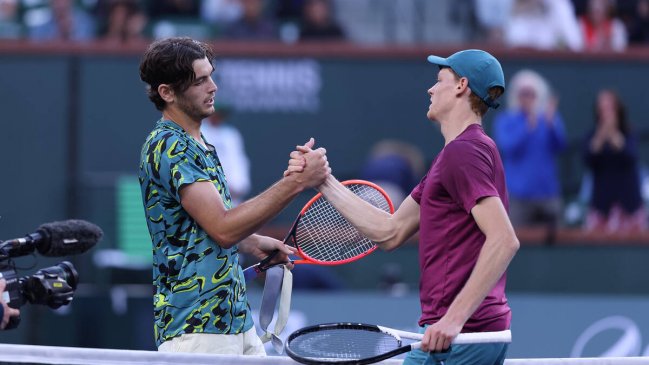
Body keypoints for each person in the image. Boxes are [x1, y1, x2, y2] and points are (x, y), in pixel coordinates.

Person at [287, 49, 519, 364]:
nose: (431, 89)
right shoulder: (458, 155)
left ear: (461, 86)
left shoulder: (463, 152)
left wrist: (454, 318)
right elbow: (390, 231)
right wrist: (324, 180)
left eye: (439, 81)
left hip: (464, 337)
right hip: (457, 335)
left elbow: (504, 239)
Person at [138, 37, 330, 355]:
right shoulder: (170, 145)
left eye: (211, 75)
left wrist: (251, 241)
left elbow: (201, 226)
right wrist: (297, 182)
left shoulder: (199, 143)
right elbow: (223, 228)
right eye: (199, 81)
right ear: (167, 92)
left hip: (236, 323)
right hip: (198, 331)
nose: (213, 87)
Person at [492, 69, 567, 235]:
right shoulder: (506, 120)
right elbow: (507, 147)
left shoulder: (549, 120)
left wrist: (551, 124)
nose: (527, 98)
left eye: (531, 94)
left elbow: (561, 145)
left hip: (548, 194)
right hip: (519, 196)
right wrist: (527, 127)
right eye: (523, 94)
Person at [583, 89, 647, 233]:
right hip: (602, 205)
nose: (606, 113)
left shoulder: (629, 132)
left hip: (629, 204)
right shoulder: (591, 136)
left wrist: (613, 135)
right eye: (602, 109)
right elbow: (588, 159)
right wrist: (600, 138)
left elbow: (630, 156)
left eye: (609, 108)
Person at [200, 102, 251, 206]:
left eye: (220, 114)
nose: (217, 116)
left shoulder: (231, 134)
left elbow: (238, 161)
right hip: (205, 193)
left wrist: (237, 185)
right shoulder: (199, 132)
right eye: (214, 113)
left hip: (231, 194)